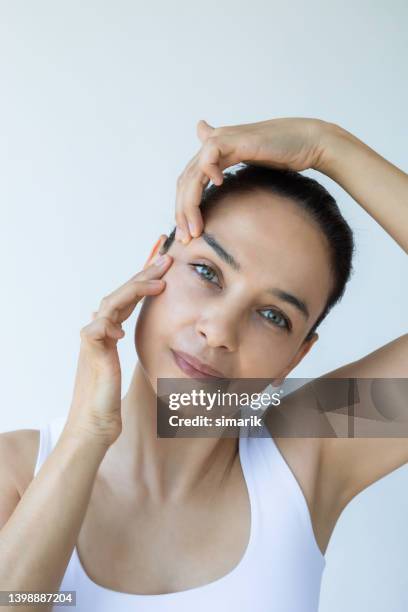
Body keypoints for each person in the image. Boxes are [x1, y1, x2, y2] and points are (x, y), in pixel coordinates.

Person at [0, 117, 407, 612]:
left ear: (297, 356)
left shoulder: (306, 459)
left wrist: (325, 145)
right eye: (206, 271)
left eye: (273, 315)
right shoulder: (18, 472)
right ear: (156, 260)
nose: (219, 330)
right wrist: (87, 435)